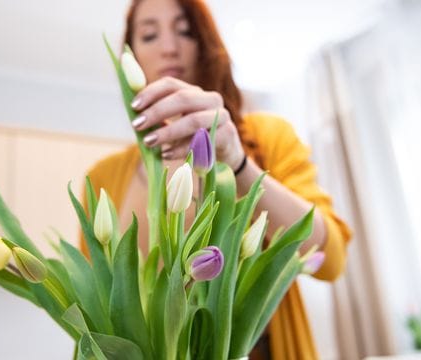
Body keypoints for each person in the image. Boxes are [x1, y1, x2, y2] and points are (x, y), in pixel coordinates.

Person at [83, 0, 352, 358]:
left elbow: (330, 258)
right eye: (149, 35)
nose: (169, 47)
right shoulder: (104, 176)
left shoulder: (266, 137)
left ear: (207, 43)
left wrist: (238, 164)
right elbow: (97, 307)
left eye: (185, 30)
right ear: (130, 59)